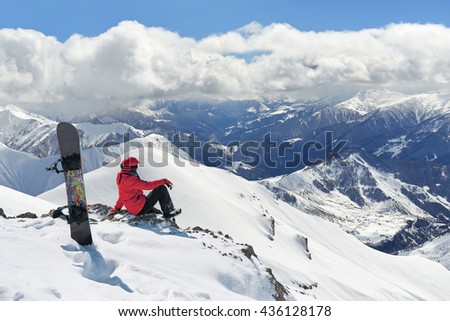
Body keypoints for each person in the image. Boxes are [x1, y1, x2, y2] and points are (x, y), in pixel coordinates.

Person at [108, 156, 181, 218]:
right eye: (135, 167)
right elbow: (147, 186)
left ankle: (166, 215)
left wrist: (117, 208)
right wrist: (163, 181)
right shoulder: (130, 180)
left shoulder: (122, 178)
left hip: (136, 206)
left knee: (158, 212)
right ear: (130, 168)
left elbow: (123, 195)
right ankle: (169, 211)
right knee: (161, 189)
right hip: (139, 208)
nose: (136, 169)